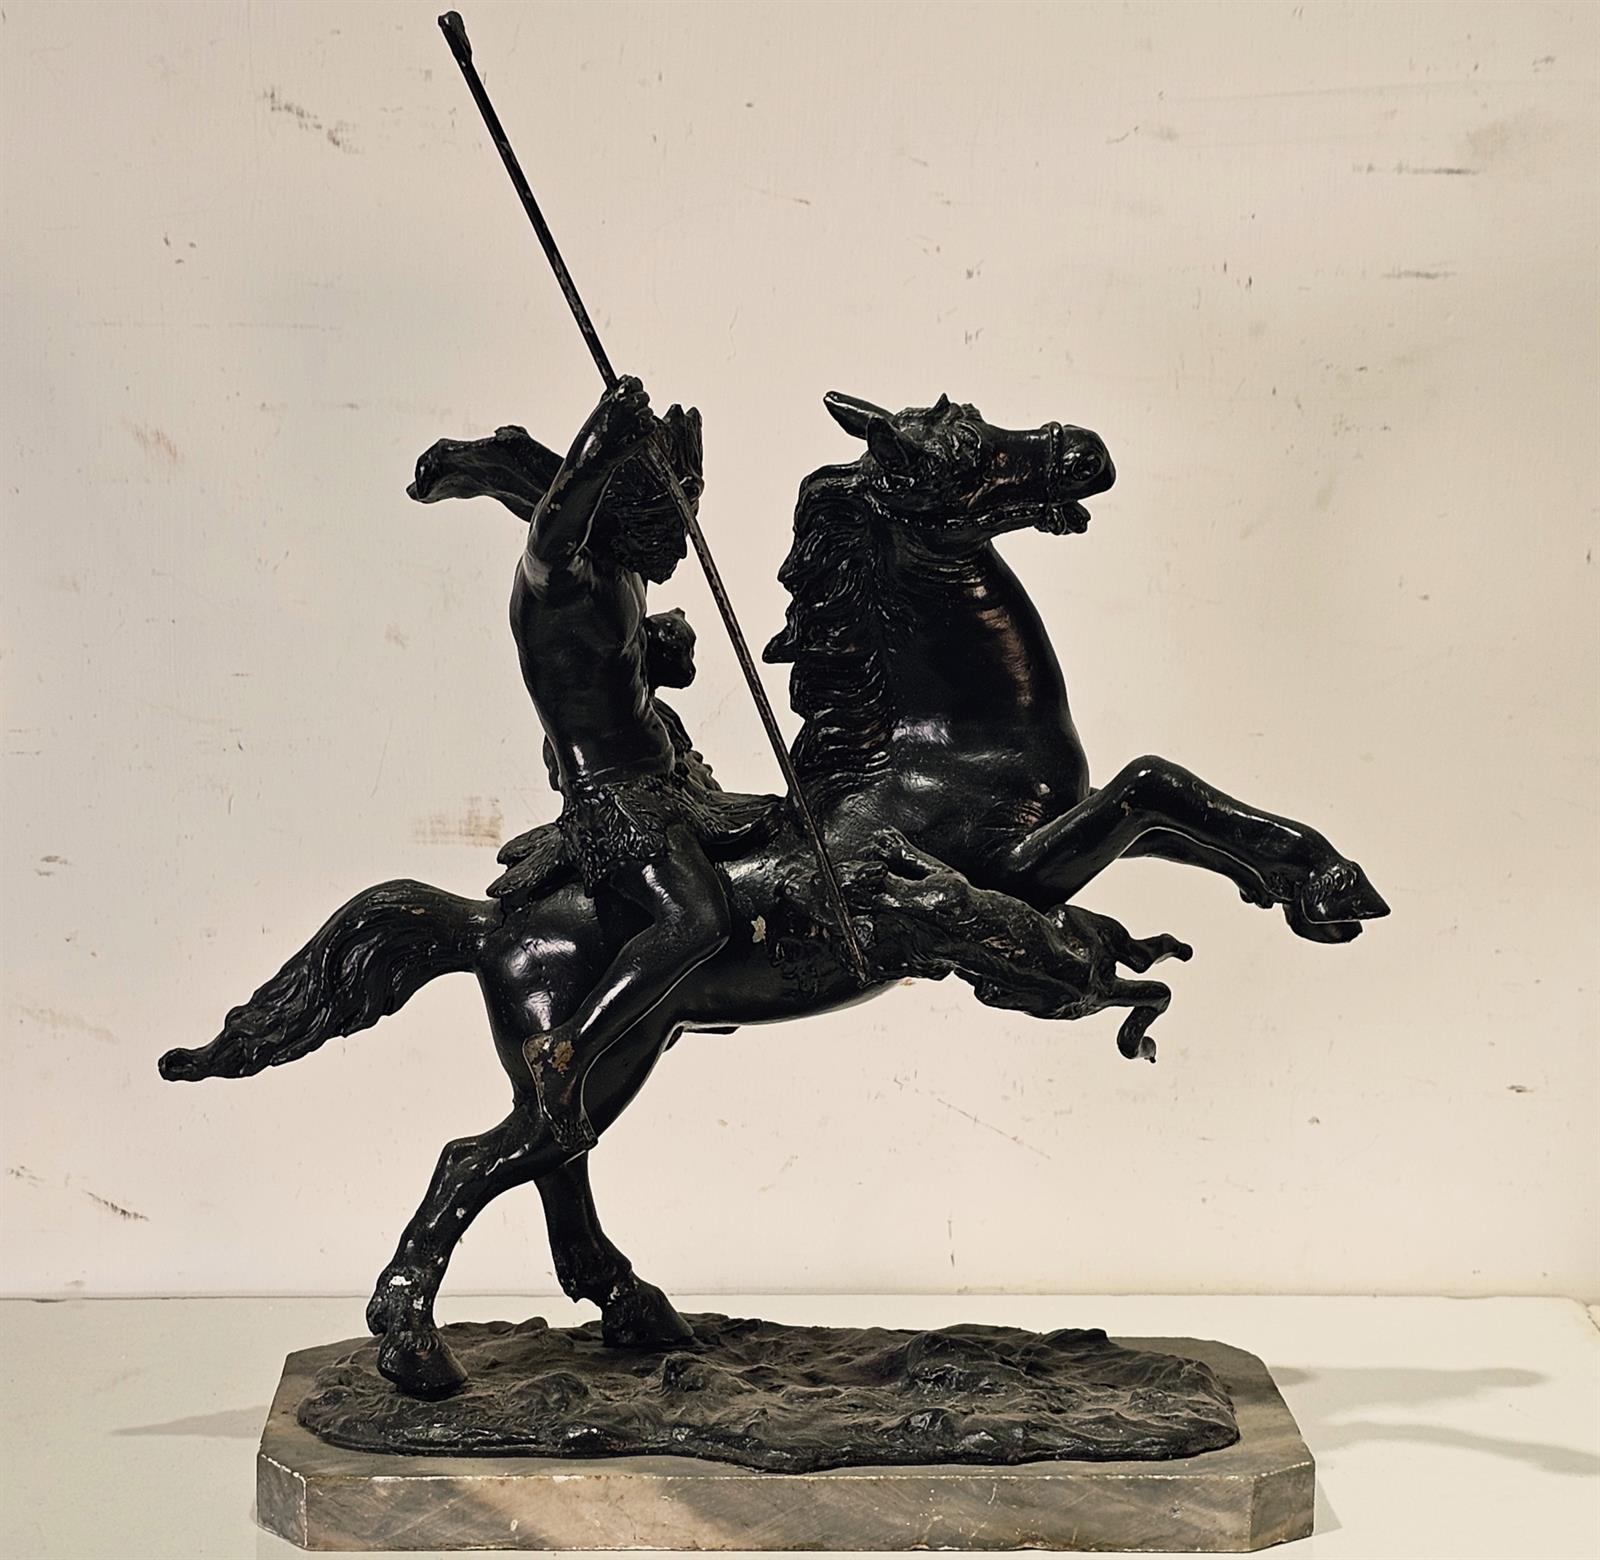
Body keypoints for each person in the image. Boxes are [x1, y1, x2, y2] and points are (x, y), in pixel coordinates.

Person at [504, 376, 772, 1150]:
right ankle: (568, 1051)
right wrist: (605, 433)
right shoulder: (560, 586)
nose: (676, 549)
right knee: (698, 919)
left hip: (667, 786)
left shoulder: (625, 569)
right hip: (612, 803)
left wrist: (662, 650)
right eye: (664, 525)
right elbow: (554, 518)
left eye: (683, 524)